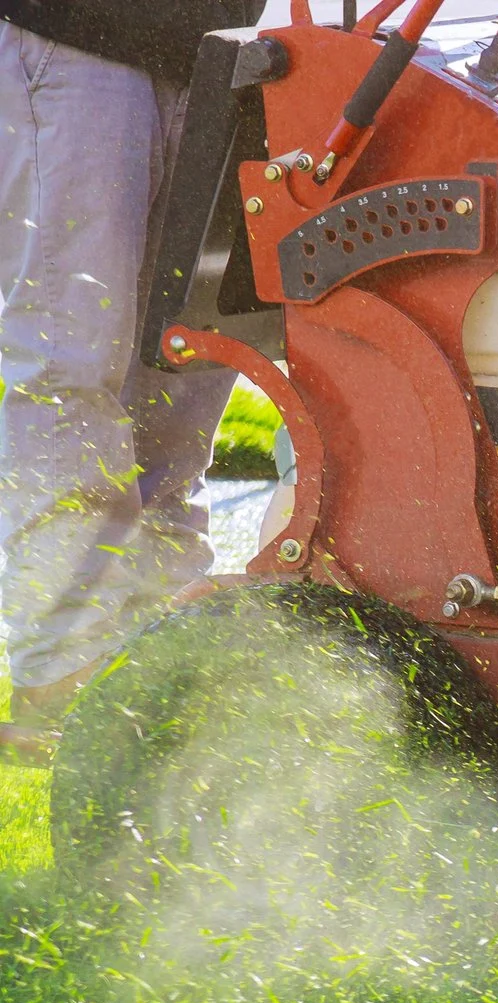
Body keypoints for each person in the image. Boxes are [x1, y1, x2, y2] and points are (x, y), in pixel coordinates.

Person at [0, 0, 257, 758]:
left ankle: (162, 669)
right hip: (74, 32)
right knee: (71, 363)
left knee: (181, 385)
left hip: (218, 45)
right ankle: (63, 680)